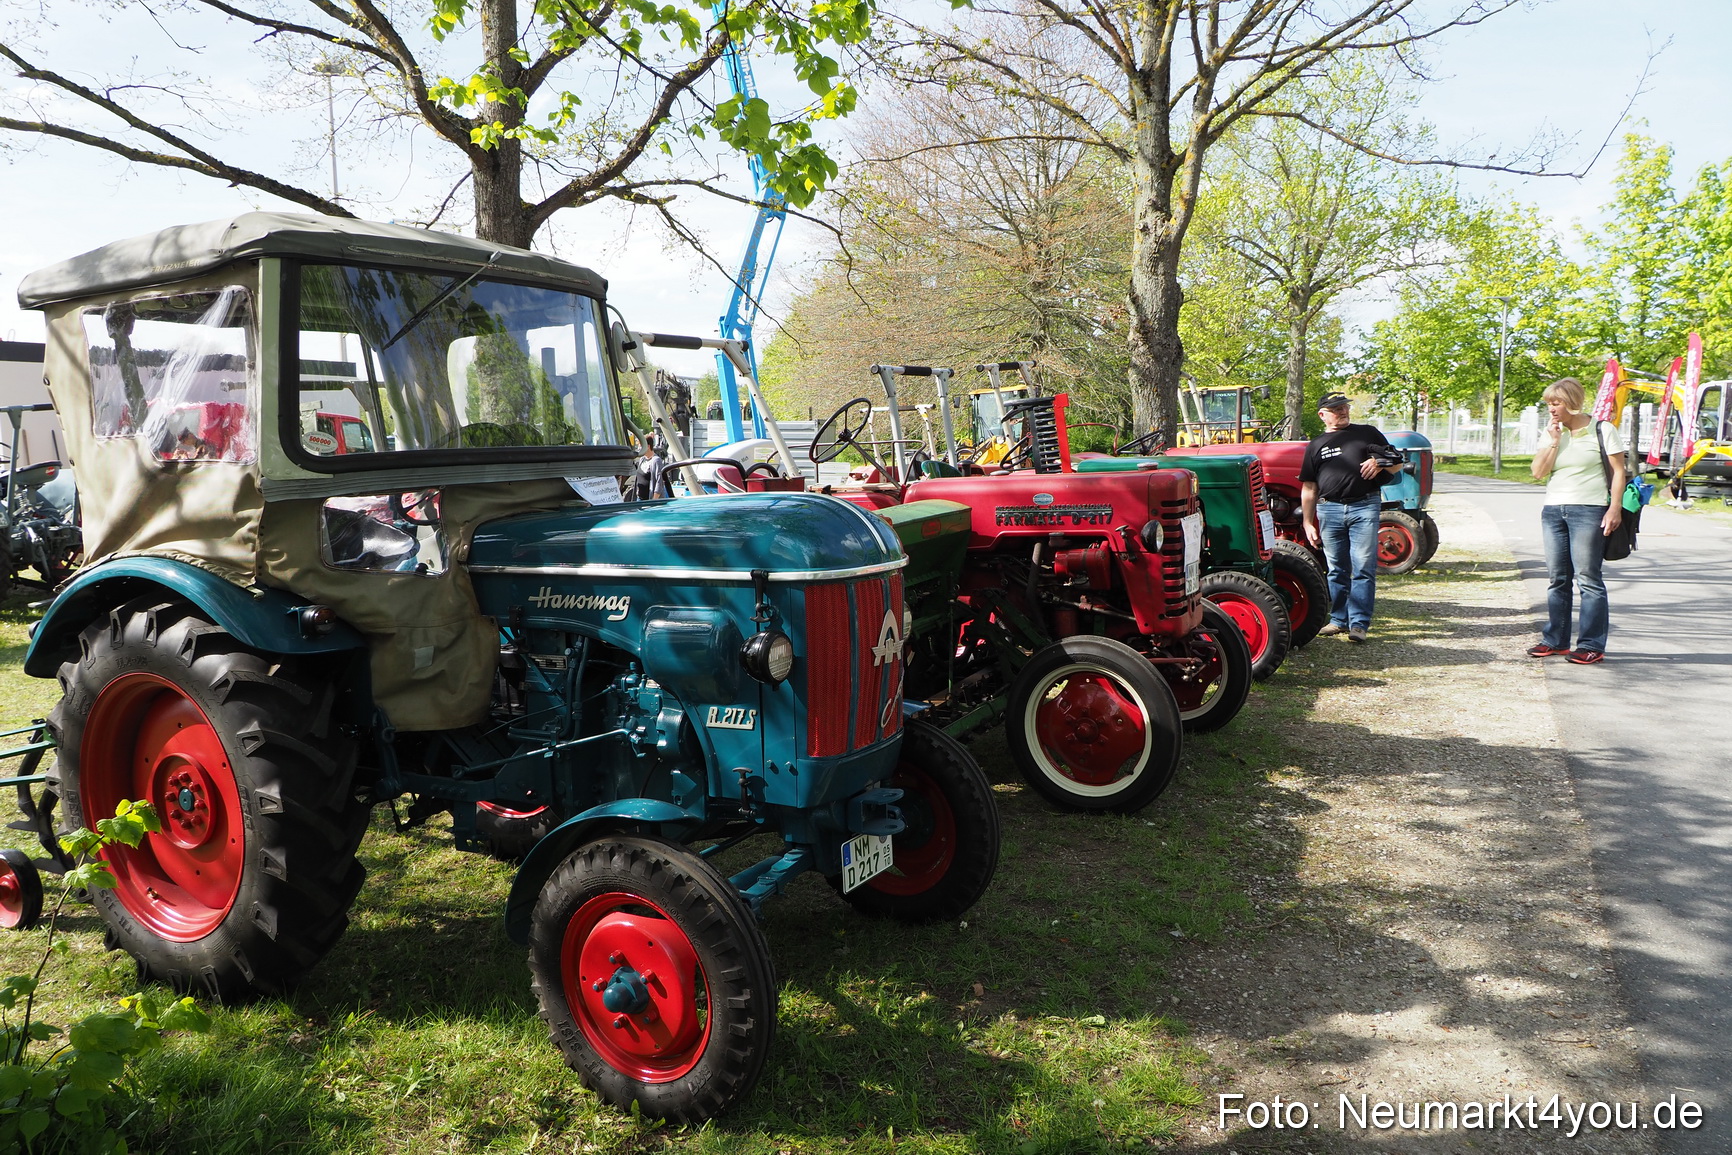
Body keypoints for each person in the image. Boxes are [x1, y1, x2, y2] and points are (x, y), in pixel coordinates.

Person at [1529, 377, 1624, 665]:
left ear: (1571, 402)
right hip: (1553, 511)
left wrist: (1614, 508)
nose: (1551, 409)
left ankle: (1591, 645)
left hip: (1589, 509)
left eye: (1556, 403)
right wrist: (1554, 442)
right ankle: (1555, 640)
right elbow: (1537, 472)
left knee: (1588, 579)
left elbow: (1618, 472)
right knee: (1557, 579)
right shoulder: (1551, 433)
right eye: (1549, 404)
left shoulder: (1602, 429)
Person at [1299, 392, 1404, 643]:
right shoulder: (1315, 445)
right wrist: (1307, 522)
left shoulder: (1367, 433)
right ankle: (1338, 620)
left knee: (1363, 567)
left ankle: (1359, 624)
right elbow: (1309, 487)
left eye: (1344, 407)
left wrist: (1379, 463)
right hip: (1329, 510)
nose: (1343, 411)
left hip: (1364, 507)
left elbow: (1397, 463)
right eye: (1336, 409)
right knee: (1336, 569)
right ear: (1322, 415)